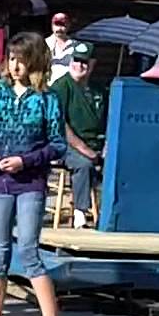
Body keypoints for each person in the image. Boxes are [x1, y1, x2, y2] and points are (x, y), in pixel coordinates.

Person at [0, 31, 67, 316]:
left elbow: (57, 144)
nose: (15, 66)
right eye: (12, 59)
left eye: (22, 59)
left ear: (36, 62)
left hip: (30, 183)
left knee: (29, 251)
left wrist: (25, 160)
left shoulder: (48, 98)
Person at [51, 41, 103, 228]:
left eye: (84, 62)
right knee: (84, 164)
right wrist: (84, 149)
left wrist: (105, 147)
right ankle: (80, 213)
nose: (79, 65)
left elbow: (108, 120)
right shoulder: (61, 87)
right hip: (65, 145)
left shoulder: (99, 89)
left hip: (96, 143)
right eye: (76, 60)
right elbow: (60, 124)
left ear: (92, 64)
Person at [45, 12, 74, 84]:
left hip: (68, 84)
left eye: (63, 25)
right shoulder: (43, 44)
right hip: (49, 84)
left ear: (68, 26)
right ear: (52, 26)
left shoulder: (75, 45)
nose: (59, 28)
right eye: (56, 25)